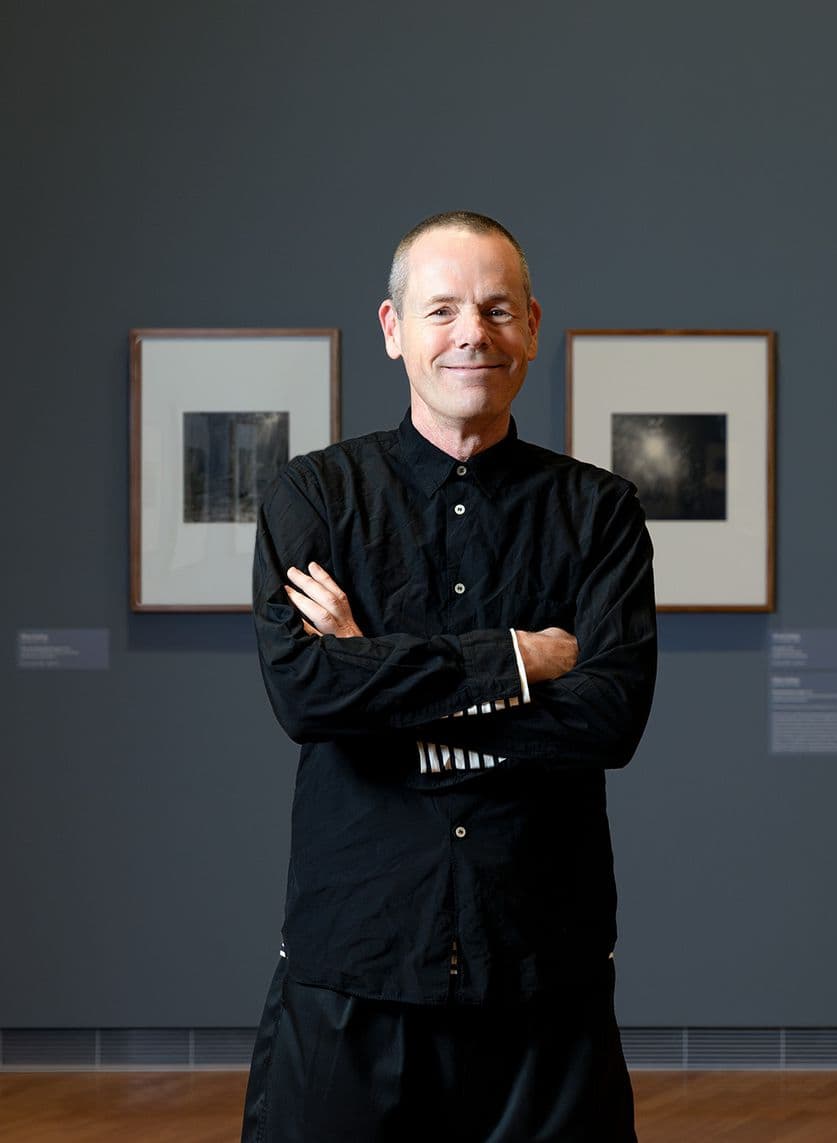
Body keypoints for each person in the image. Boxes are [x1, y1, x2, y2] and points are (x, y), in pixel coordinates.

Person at [241, 211, 656, 1142]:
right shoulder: (313, 497)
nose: (474, 331)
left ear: (534, 326)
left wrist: (378, 680)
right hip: (356, 960)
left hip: (543, 967)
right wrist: (517, 659)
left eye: (497, 308)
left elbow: (609, 719)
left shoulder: (601, 515)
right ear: (394, 330)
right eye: (443, 310)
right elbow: (308, 696)